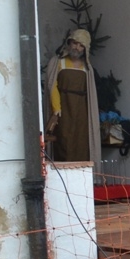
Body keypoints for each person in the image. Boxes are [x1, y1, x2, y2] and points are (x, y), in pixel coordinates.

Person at [44, 29, 101, 162]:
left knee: (81, 140)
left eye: (81, 45)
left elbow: (90, 93)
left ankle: (82, 173)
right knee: (64, 140)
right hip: (63, 109)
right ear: (69, 43)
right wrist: (56, 108)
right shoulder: (57, 62)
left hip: (82, 110)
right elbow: (52, 86)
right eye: (75, 43)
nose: (77, 48)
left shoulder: (87, 67)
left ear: (85, 49)